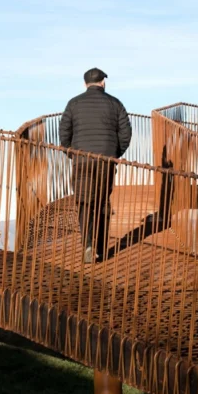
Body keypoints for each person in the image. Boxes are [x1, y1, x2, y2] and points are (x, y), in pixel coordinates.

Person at [59, 68, 132, 262]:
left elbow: (64, 131)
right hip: (106, 161)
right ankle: (100, 248)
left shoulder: (73, 103)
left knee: (84, 203)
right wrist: (114, 154)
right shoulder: (115, 103)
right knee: (101, 202)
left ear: (85, 84)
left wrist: (70, 153)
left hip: (82, 161)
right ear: (103, 83)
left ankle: (88, 245)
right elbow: (126, 133)